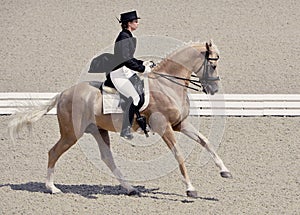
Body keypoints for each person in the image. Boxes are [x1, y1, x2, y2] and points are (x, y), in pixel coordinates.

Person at [109, 11, 152, 140]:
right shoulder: (123, 37)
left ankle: (139, 118)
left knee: (143, 92)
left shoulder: (128, 36)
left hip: (126, 72)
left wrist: (143, 63)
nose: (137, 24)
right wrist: (142, 68)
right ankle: (125, 128)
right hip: (119, 74)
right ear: (129, 23)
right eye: (135, 21)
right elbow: (126, 60)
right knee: (136, 98)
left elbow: (130, 58)